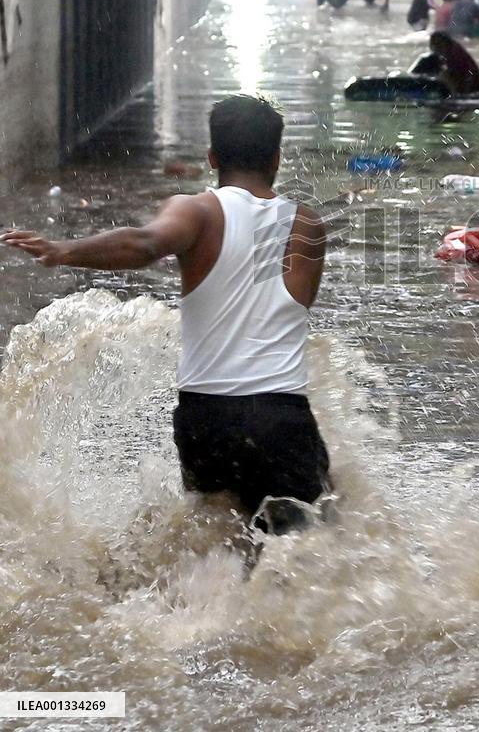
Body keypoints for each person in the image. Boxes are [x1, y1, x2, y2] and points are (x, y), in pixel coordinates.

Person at [1, 95, 331, 534]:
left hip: (205, 420)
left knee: (216, 544)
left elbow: (144, 243)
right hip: (280, 415)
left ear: (212, 156)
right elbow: (296, 307)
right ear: (276, 156)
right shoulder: (306, 225)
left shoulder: (195, 211)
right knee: (309, 548)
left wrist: (63, 251)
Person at [429, 30, 479, 98]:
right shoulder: (451, 51)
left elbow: (463, 75)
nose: (434, 49)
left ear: (444, 43)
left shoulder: (455, 54)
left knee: (445, 75)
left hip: (471, 91)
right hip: (471, 89)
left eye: (437, 45)